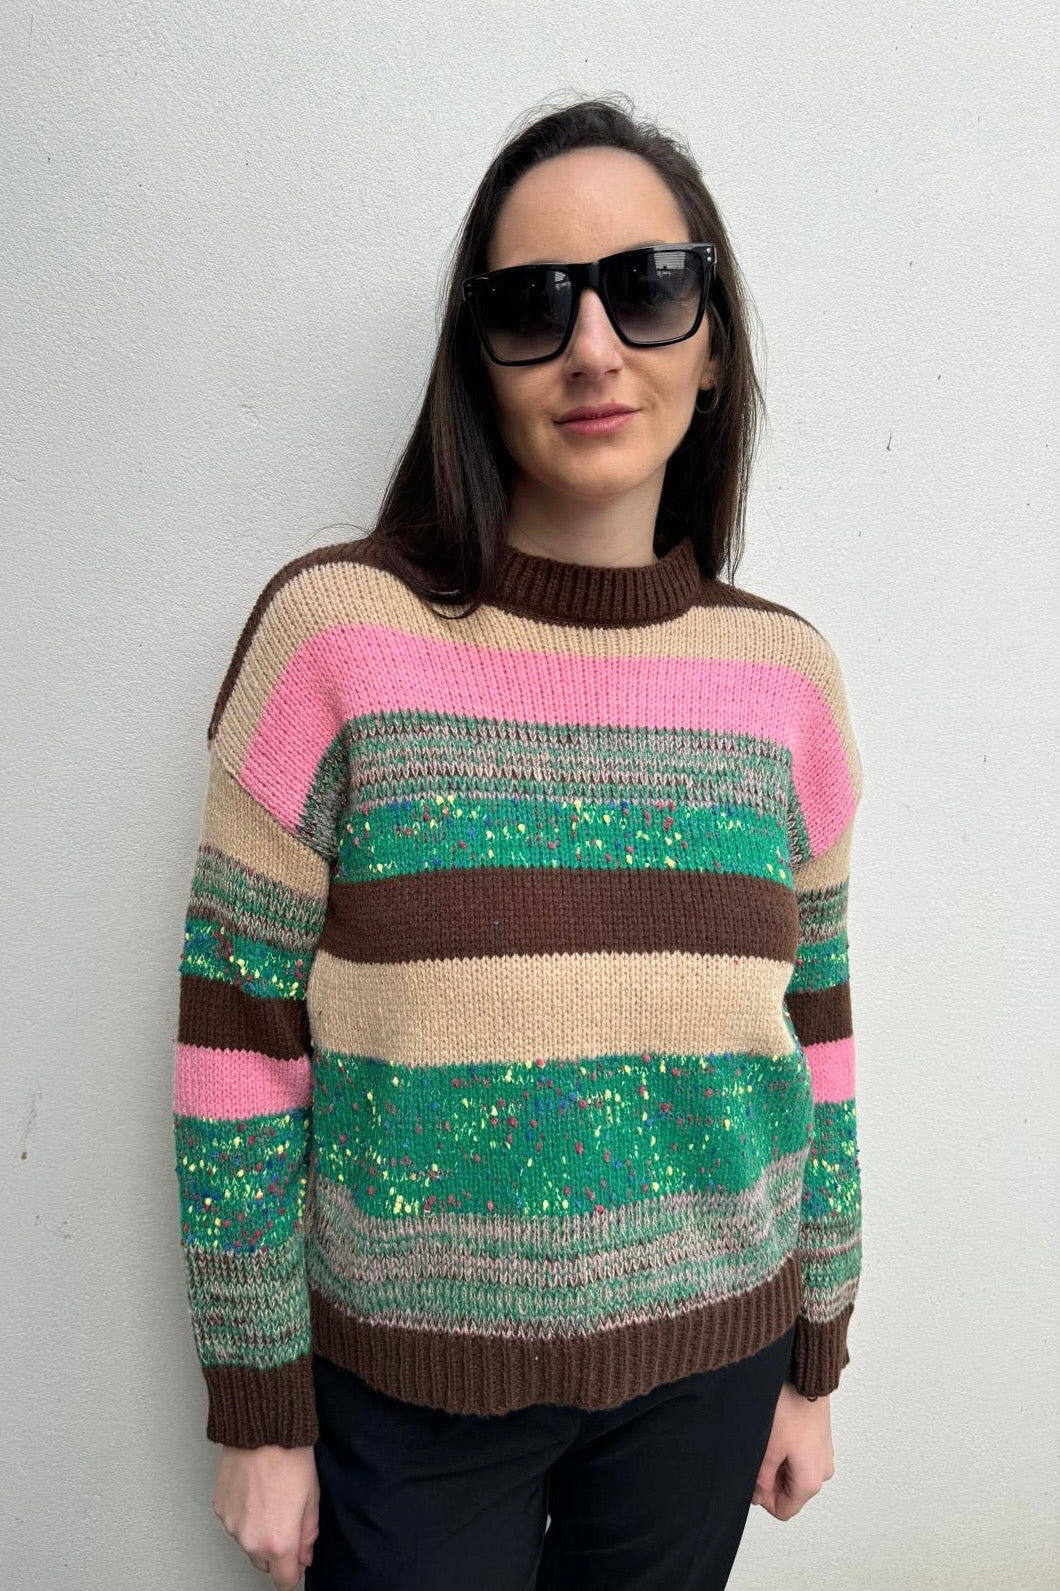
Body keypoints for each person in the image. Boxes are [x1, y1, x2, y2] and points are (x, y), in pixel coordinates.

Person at [172, 93, 864, 1591]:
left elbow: (817, 1030)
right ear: (475, 361)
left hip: (715, 1368)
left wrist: (816, 1348)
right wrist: (259, 1408)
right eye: (532, 306)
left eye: (648, 288)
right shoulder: (333, 639)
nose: (593, 347)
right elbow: (237, 1039)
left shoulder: (789, 679)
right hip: (406, 1400)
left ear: (715, 342)